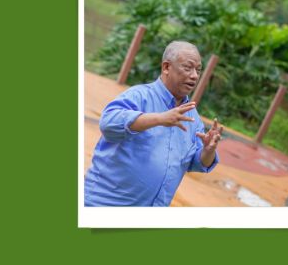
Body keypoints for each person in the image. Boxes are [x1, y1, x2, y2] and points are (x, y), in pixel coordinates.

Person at [85, 41, 223, 206]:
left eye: (198, 70)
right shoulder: (139, 96)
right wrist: (160, 118)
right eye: (188, 68)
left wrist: (208, 151)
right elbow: (108, 123)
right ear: (166, 67)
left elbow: (197, 163)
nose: (194, 75)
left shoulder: (192, 118)